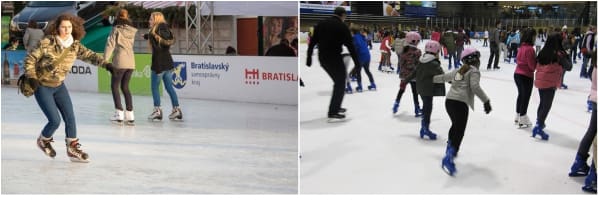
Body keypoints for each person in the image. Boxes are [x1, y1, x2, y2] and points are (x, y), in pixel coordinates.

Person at [23, 13, 113, 163]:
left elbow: (90, 56)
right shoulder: (47, 43)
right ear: (57, 28)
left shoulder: (74, 45)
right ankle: (43, 140)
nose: (67, 30)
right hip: (42, 86)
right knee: (55, 121)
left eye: (69, 27)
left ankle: (72, 148)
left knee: (70, 117)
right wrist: (32, 77)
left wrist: (107, 65)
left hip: (59, 86)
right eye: (63, 27)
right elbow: (30, 59)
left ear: (74, 28)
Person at [434, 48, 492, 176]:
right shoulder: (474, 71)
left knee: (455, 125)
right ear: (474, 59)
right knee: (459, 130)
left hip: (449, 102)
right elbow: (475, 87)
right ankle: (449, 157)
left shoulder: (460, 71)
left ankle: (450, 147)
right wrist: (486, 101)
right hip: (460, 103)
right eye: (478, 58)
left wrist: (428, 78)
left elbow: (443, 78)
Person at [305, 7, 359, 121]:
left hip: (323, 58)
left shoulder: (321, 24)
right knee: (340, 83)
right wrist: (357, 63)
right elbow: (350, 46)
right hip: (334, 58)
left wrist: (309, 57)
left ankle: (336, 107)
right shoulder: (342, 26)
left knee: (339, 82)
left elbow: (312, 42)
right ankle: (333, 111)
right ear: (343, 15)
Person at [144, 12, 183, 121]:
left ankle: (157, 111)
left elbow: (156, 47)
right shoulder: (166, 30)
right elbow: (161, 40)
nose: (149, 21)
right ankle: (177, 110)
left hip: (158, 64)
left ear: (156, 20)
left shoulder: (153, 32)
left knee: (154, 87)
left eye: (151, 19)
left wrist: (150, 36)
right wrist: (147, 36)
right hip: (168, 63)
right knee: (169, 87)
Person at [531, 32, 569, 140]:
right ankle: (539, 126)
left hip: (540, 82)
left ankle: (539, 123)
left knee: (543, 103)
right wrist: (566, 55)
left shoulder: (543, 51)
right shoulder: (558, 54)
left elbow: (536, 62)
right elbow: (569, 66)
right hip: (550, 83)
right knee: (546, 105)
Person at [569, 49, 597, 192]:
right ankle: (594, 174)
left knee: (592, 131)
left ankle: (579, 162)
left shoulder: (595, 63)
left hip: (595, 99)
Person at [405, 40, 445, 140]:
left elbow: (414, 72)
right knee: (428, 109)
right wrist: (455, 82)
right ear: (435, 52)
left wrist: (406, 80)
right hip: (427, 89)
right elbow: (444, 76)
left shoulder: (422, 60)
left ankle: (423, 128)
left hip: (420, 88)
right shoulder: (433, 64)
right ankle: (425, 129)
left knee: (426, 107)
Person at [104, 8, 138, 125]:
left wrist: (105, 60)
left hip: (120, 61)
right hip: (131, 62)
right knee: (125, 87)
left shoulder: (116, 29)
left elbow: (110, 44)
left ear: (117, 17)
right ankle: (130, 114)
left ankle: (119, 113)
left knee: (115, 86)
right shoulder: (132, 30)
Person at [392, 32, 422, 117]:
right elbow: (419, 64)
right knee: (415, 92)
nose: (418, 42)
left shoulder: (403, 50)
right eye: (418, 41)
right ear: (414, 41)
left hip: (404, 75)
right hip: (413, 76)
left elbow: (401, 63)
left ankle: (396, 104)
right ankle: (417, 108)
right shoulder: (417, 52)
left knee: (401, 90)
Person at [513, 28, 537, 128]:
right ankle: (523, 117)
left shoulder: (521, 47)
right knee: (525, 96)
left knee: (521, 95)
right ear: (531, 37)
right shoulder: (530, 49)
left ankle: (518, 115)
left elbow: (517, 60)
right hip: (526, 76)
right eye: (534, 36)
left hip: (517, 74)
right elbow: (532, 66)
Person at [348, 25, 375, 92]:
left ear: (352, 31)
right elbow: (365, 44)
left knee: (358, 71)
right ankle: (373, 84)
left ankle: (360, 87)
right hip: (367, 55)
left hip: (361, 56)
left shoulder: (354, 38)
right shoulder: (362, 36)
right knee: (367, 70)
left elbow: (356, 46)